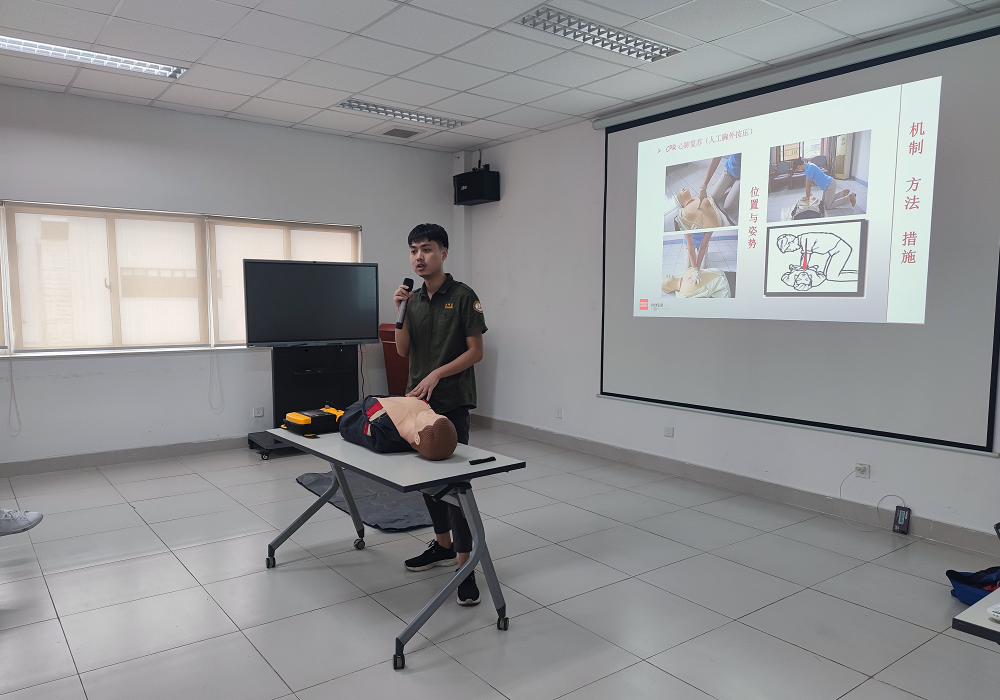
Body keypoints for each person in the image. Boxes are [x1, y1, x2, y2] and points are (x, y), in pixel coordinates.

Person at [394, 223, 486, 606]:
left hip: (451, 402)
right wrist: (399, 310)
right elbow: (402, 351)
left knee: (455, 485)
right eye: (414, 250)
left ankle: (465, 566)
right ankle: (443, 546)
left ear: (444, 253)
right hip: (419, 404)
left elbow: (475, 351)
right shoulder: (412, 300)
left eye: (427, 249)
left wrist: (437, 373)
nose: (419, 257)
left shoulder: (463, 296)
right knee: (427, 481)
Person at [776, 231, 857, 283]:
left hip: (840, 249)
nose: (792, 251)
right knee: (827, 274)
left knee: (832, 276)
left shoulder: (804, 239)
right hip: (835, 251)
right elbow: (804, 258)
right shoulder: (802, 239)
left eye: (789, 249)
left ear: (790, 243)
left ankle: (860, 278)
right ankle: (859, 274)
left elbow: (805, 257)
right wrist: (802, 268)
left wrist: (802, 269)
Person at [700, 154, 741, 219]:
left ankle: (735, 185)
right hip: (730, 169)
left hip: (743, 175)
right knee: (713, 198)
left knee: (728, 207)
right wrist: (704, 186)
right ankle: (731, 184)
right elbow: (716, 157)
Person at [662, 267, 732, 298]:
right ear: (669, 289)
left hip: (721, 272)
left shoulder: (683, 273)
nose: (665, 276)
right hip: (725, 286)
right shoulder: (683, 294)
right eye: (663, 279)